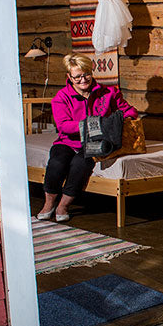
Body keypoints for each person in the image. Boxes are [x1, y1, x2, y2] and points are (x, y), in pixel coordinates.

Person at [36, 54, 138, 221]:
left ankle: (63, 205)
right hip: (68, 141)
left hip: (95, 142)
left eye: (86, 74)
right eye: (77, 77)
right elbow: (63, 126)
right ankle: (49, 204)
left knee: (80, 164)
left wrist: (120, 120)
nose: (83, 79)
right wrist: (92, 124)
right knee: (57, 162)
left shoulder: (108, 92)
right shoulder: (61, 97)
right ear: (69, 77)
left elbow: (130, 111)